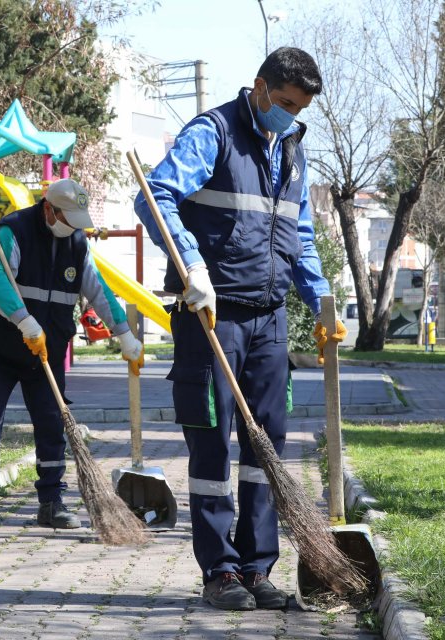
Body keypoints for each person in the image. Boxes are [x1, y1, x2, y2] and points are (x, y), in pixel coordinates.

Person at [132, 47, 348, 612]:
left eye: (298, 108)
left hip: (269, 318)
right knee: (212, 445)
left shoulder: (293, 152)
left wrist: (323, 301)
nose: (288, 114)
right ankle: (219, 572)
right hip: (212, 313)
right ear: (258, 87)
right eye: (282, 102)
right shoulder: (214, 134)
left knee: (266, 448)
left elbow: (299, 236)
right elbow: (153, 196)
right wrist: (192, 266)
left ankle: (257, 570)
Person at [0, 178, 145, 536]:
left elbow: (98, 290)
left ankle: (51, 501)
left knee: (53, 424)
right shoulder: (13, 232)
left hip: (46, 350)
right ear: (48, 209)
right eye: (66, 217)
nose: (71, 226)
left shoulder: (76, 243)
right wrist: (24, 321)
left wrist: (124, 334)